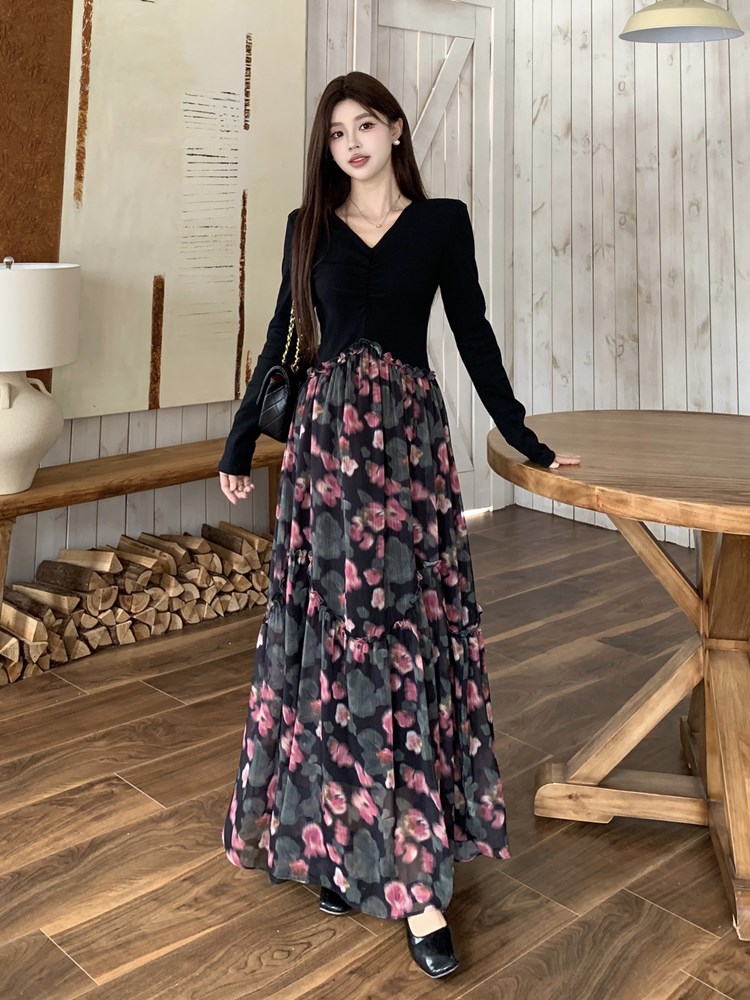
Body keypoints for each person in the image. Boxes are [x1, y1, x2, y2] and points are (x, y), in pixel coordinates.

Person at [218, 71, 580, 980]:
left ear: (395, 130)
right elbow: (281, 339)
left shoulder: (441, 222)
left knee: (406, 641)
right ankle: (340, 847)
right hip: (325, 456)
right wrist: (237, 444)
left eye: (365, 125)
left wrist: (525, 438)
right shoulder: (307, 227)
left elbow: (474, 335)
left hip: (409, 453)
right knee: (334, 645)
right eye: (336, 131)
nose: (351, 142)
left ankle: (416, 884)